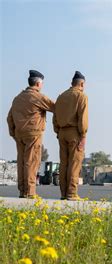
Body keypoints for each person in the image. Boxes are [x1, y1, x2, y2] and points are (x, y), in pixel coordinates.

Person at [7, 70, 55, 198]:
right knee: (31, 161)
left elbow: (9, 117)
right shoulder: (38, 97)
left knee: (22, 162)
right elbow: (55, 107)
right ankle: (30, 192)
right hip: (33, 134)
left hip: (19, 134)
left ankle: (22, 191)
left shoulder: (17, 98)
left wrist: (13, 133)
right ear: (38, 84)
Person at [53, 71, 88, 200]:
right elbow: (83, 119)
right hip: (75, 133)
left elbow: (55, 117)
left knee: (64, 164)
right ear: (82, 83)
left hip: (62, 132)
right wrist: (83, 136)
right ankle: (72, 193)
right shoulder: (81, 96)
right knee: (74, 163)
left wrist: (58, 131)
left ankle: (63, 193)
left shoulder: (61, 96)